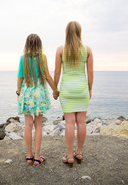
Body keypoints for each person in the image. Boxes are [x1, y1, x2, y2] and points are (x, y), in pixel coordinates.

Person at [54, 21, 93, 167]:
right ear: (79, 32)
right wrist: (90, 89)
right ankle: (79, 152)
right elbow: (90, 72)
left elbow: (57, 72)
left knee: (69, 122)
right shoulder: (87, 49)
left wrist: (55, 89)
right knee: (81, 122)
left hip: (67, 90)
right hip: (82, 89)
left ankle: (69, 155)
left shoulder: (60, 50)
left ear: (66, 32)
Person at [17, 34, 59, 166]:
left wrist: (18, 93)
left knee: (28, 125)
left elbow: (20, 77)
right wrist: (55, 90)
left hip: (27, 93)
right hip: (39, 93)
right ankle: (37, 157)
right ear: (39, 45)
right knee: (38, 125)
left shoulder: (23, 59)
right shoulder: (42, 58)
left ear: (27, 44)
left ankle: (29, 156)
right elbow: (47, 76)